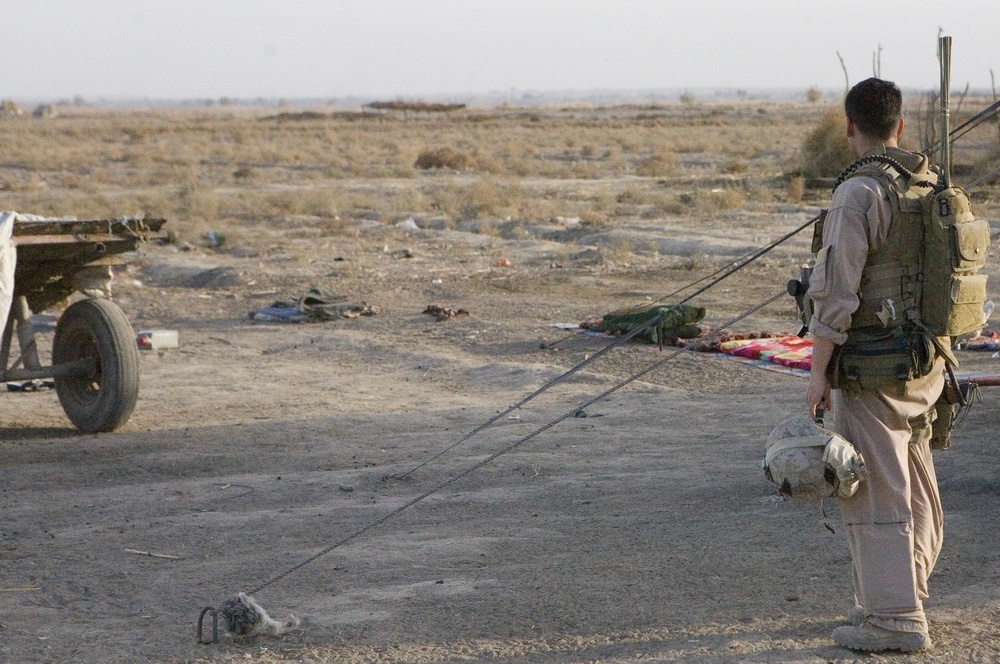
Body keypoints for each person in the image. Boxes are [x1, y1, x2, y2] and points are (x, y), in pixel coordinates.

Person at [805, 77, 945, 653]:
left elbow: (835, 293)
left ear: (850, 127)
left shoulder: (858, 194)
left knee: (874, 491)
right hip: (927, 363)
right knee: (914, 477)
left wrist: (818, 372)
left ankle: (894, 619)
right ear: (900, 126)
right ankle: (907, 589)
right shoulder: (925, 182)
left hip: (875, 366)